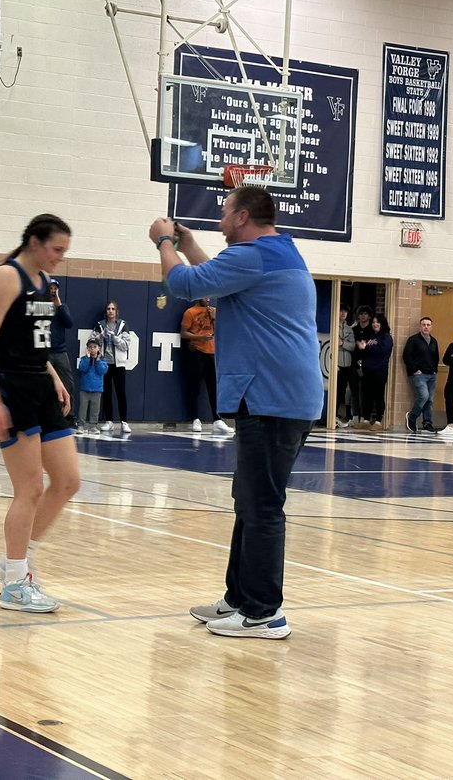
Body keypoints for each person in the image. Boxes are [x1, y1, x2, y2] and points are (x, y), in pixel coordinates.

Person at [150, 186, 323, 640]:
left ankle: (265, 612)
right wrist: (186, 243)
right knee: (248, 502)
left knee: (262, 506)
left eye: (225, 213)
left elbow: (185, 284)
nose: (220, 219)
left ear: (243, 216)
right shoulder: (269, 253)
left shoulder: (255, 256)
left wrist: (163, 242)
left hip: (274, 399)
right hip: (275, 397)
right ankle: (240, 598)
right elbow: (213, 277)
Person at [0, 214, 81, 613]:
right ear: (35, 242)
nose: (61, 257)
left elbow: (33, 342)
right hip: (11, 387)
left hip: (39, 383)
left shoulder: (42, 282)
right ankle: (14, 585)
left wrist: (53, 376)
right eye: (57, 249)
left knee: (68, 481)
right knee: (30, 488)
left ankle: (17, 557)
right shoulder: (7, 276)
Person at [180, 297, 232, 434]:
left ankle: (217, 419)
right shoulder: (190, 312)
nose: (207, 299)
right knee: (194, 387)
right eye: (205, 296)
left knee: (213, 387)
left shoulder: (213, 311)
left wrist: (214, 318)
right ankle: (195, 419)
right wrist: (199, 338)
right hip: (196, 352)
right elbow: (183, 333)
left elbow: (221, 331)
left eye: (209, 297)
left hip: (211, 352)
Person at [91, 302, 132, 434]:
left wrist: (115, 338)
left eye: (113, 309)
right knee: (107, 393)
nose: (110, 311)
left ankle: (124, 422)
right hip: (104, 364)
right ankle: (109, 421)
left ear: (117, 311)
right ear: (105, 312)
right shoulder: (99, 325)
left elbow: (126, 345)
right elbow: (91, 343)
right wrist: (100, 336)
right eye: (108, 309)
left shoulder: (122, 325)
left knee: (121, 393)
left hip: (119, 364)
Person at [46, 280, 78, 428]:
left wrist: (59, 306)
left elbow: (69, 323)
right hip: (45, 352)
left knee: (67, 384)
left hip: (60, 351)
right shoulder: (41, 307)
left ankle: (68, 416)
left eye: (55, 288)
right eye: (50, 288)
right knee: (45, 384)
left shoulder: (61, 307)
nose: (53, 291)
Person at [402, 317, 439, 433]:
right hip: (418, 374)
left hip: (431, 374)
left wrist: (434, 370)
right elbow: (406, 356)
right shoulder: (413, 340)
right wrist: (414, 369)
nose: (426, 327)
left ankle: (427, 423)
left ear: (431, 327)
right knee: (424, 396)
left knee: (429, 400)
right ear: (420, 327)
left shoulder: (434, 341)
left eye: (428, 325)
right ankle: (412, 417)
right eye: (423, 324)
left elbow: (436, 357)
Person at [360, 315, 393, 430]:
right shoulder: (370, 337)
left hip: (380, 370)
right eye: (373, 322)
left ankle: (379, 421)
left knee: (378, 395)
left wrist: (366, 348)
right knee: (367, 395)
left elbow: (382, 351)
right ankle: (366, 419)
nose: (375, 324)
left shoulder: (386, 337)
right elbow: (364, 351)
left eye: (377, 322)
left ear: (382, 323)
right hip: (367, 370)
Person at [349, 306, 374, 427]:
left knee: (366, 391)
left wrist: (366, 345)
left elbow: (374, 343)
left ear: (369, 316)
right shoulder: (354, 329)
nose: (363, 316)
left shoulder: (372, 330)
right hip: (355, 364)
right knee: (354, 390)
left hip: (368, 364)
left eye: (365, 314)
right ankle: (355, 416)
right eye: (361, 314)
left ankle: (365, 417)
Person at [77, 338, 107, 433]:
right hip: (84, 388)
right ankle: (81, 425)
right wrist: (87, 358)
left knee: (95, 409)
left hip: (97, 389)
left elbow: (102, 371)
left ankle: (93, 426)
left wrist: (97, 361)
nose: (92, 349)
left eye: (95, 347)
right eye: (90, 347)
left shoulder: (102, 361)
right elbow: (82, 368)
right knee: (82, 408)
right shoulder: (84, 359)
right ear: (87, 349)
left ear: (99, 349)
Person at [335, 305, 355, 428]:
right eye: (341, 311)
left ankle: (348, 415)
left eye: (345, 312)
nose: (343, 313)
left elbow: (352, 346)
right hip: (334, 363)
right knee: (335, 390)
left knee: (343, 390)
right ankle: (333, 414)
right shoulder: (332, 325)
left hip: (346, 364)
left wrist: (342, 343)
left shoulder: (349, 329)